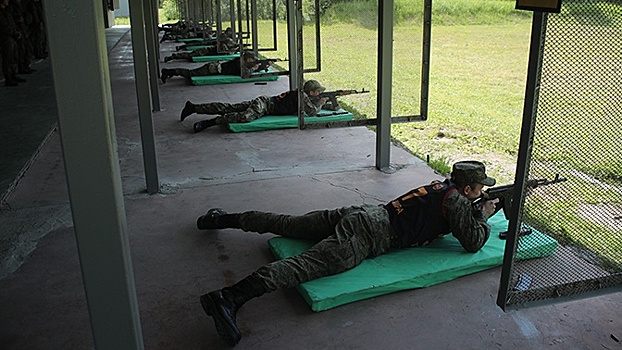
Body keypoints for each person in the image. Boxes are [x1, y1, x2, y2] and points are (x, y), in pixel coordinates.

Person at [196, 160, 499, 346]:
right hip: (368, 236)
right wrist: (483, 216)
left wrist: (473, 209)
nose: (481, 191)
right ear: (470, 188)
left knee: (288, 224)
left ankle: (222, 218)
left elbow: (442, 212)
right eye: (479, 188)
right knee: (305, 265)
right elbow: (472, 242)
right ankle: (229, 297)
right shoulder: (458, 202)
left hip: (362, 213)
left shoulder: (440, 186)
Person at [181, 79, 341, 133]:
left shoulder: (303, 95)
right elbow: (312, 112)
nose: (318, 94)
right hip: (265, 106)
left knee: (229, 107)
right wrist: (321, 103)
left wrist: (331, 101)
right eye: (317, 92)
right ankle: (210, 122)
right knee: (244, 117)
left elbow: (317, 107)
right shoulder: (303, 96)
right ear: (312, 92)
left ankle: (194, 107)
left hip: (264, 101)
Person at [160, 51, 264, 84]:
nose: (253, 61)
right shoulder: (239, 63)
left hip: (214, 66)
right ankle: (168, 71)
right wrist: (254, 68)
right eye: (252, 59)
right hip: (212, 68)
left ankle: (170, 72)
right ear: (247, 59)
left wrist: (261, 66)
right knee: (190, 73)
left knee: (191, 73)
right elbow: (245, 74)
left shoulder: (242, 62)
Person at [0, 0, 25, 86]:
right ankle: (8, 77)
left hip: (11, 37)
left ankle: (13, 74)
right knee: (8, 57)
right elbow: (4, 26)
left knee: (14, 56)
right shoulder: (1, 13)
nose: (7, 0)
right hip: (5, 38)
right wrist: (14, 33)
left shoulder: (6, 11)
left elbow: (12, 23)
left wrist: (16, 32)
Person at [163, 37, 239, 63]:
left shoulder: (224, 45)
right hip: (204, 51)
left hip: (205, 51)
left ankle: (173, 56)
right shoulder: (223, 46)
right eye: (230, 44)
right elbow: (227, 53)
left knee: (189, 54)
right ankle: (172, 57)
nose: (231, 45)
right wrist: (235, 49)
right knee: (188, 55)